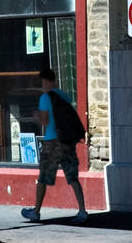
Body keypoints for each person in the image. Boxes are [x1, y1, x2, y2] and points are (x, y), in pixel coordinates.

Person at [21, 68, 87, 224]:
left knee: (43, 178)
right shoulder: (63, 95)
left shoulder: (45, 97)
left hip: (52, 142)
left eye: (42, 81)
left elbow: (44, 121)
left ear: (45, 81)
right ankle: (82, 211)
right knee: (72, 177)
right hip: (67, 140)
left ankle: (35, 212)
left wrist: (36, 115)